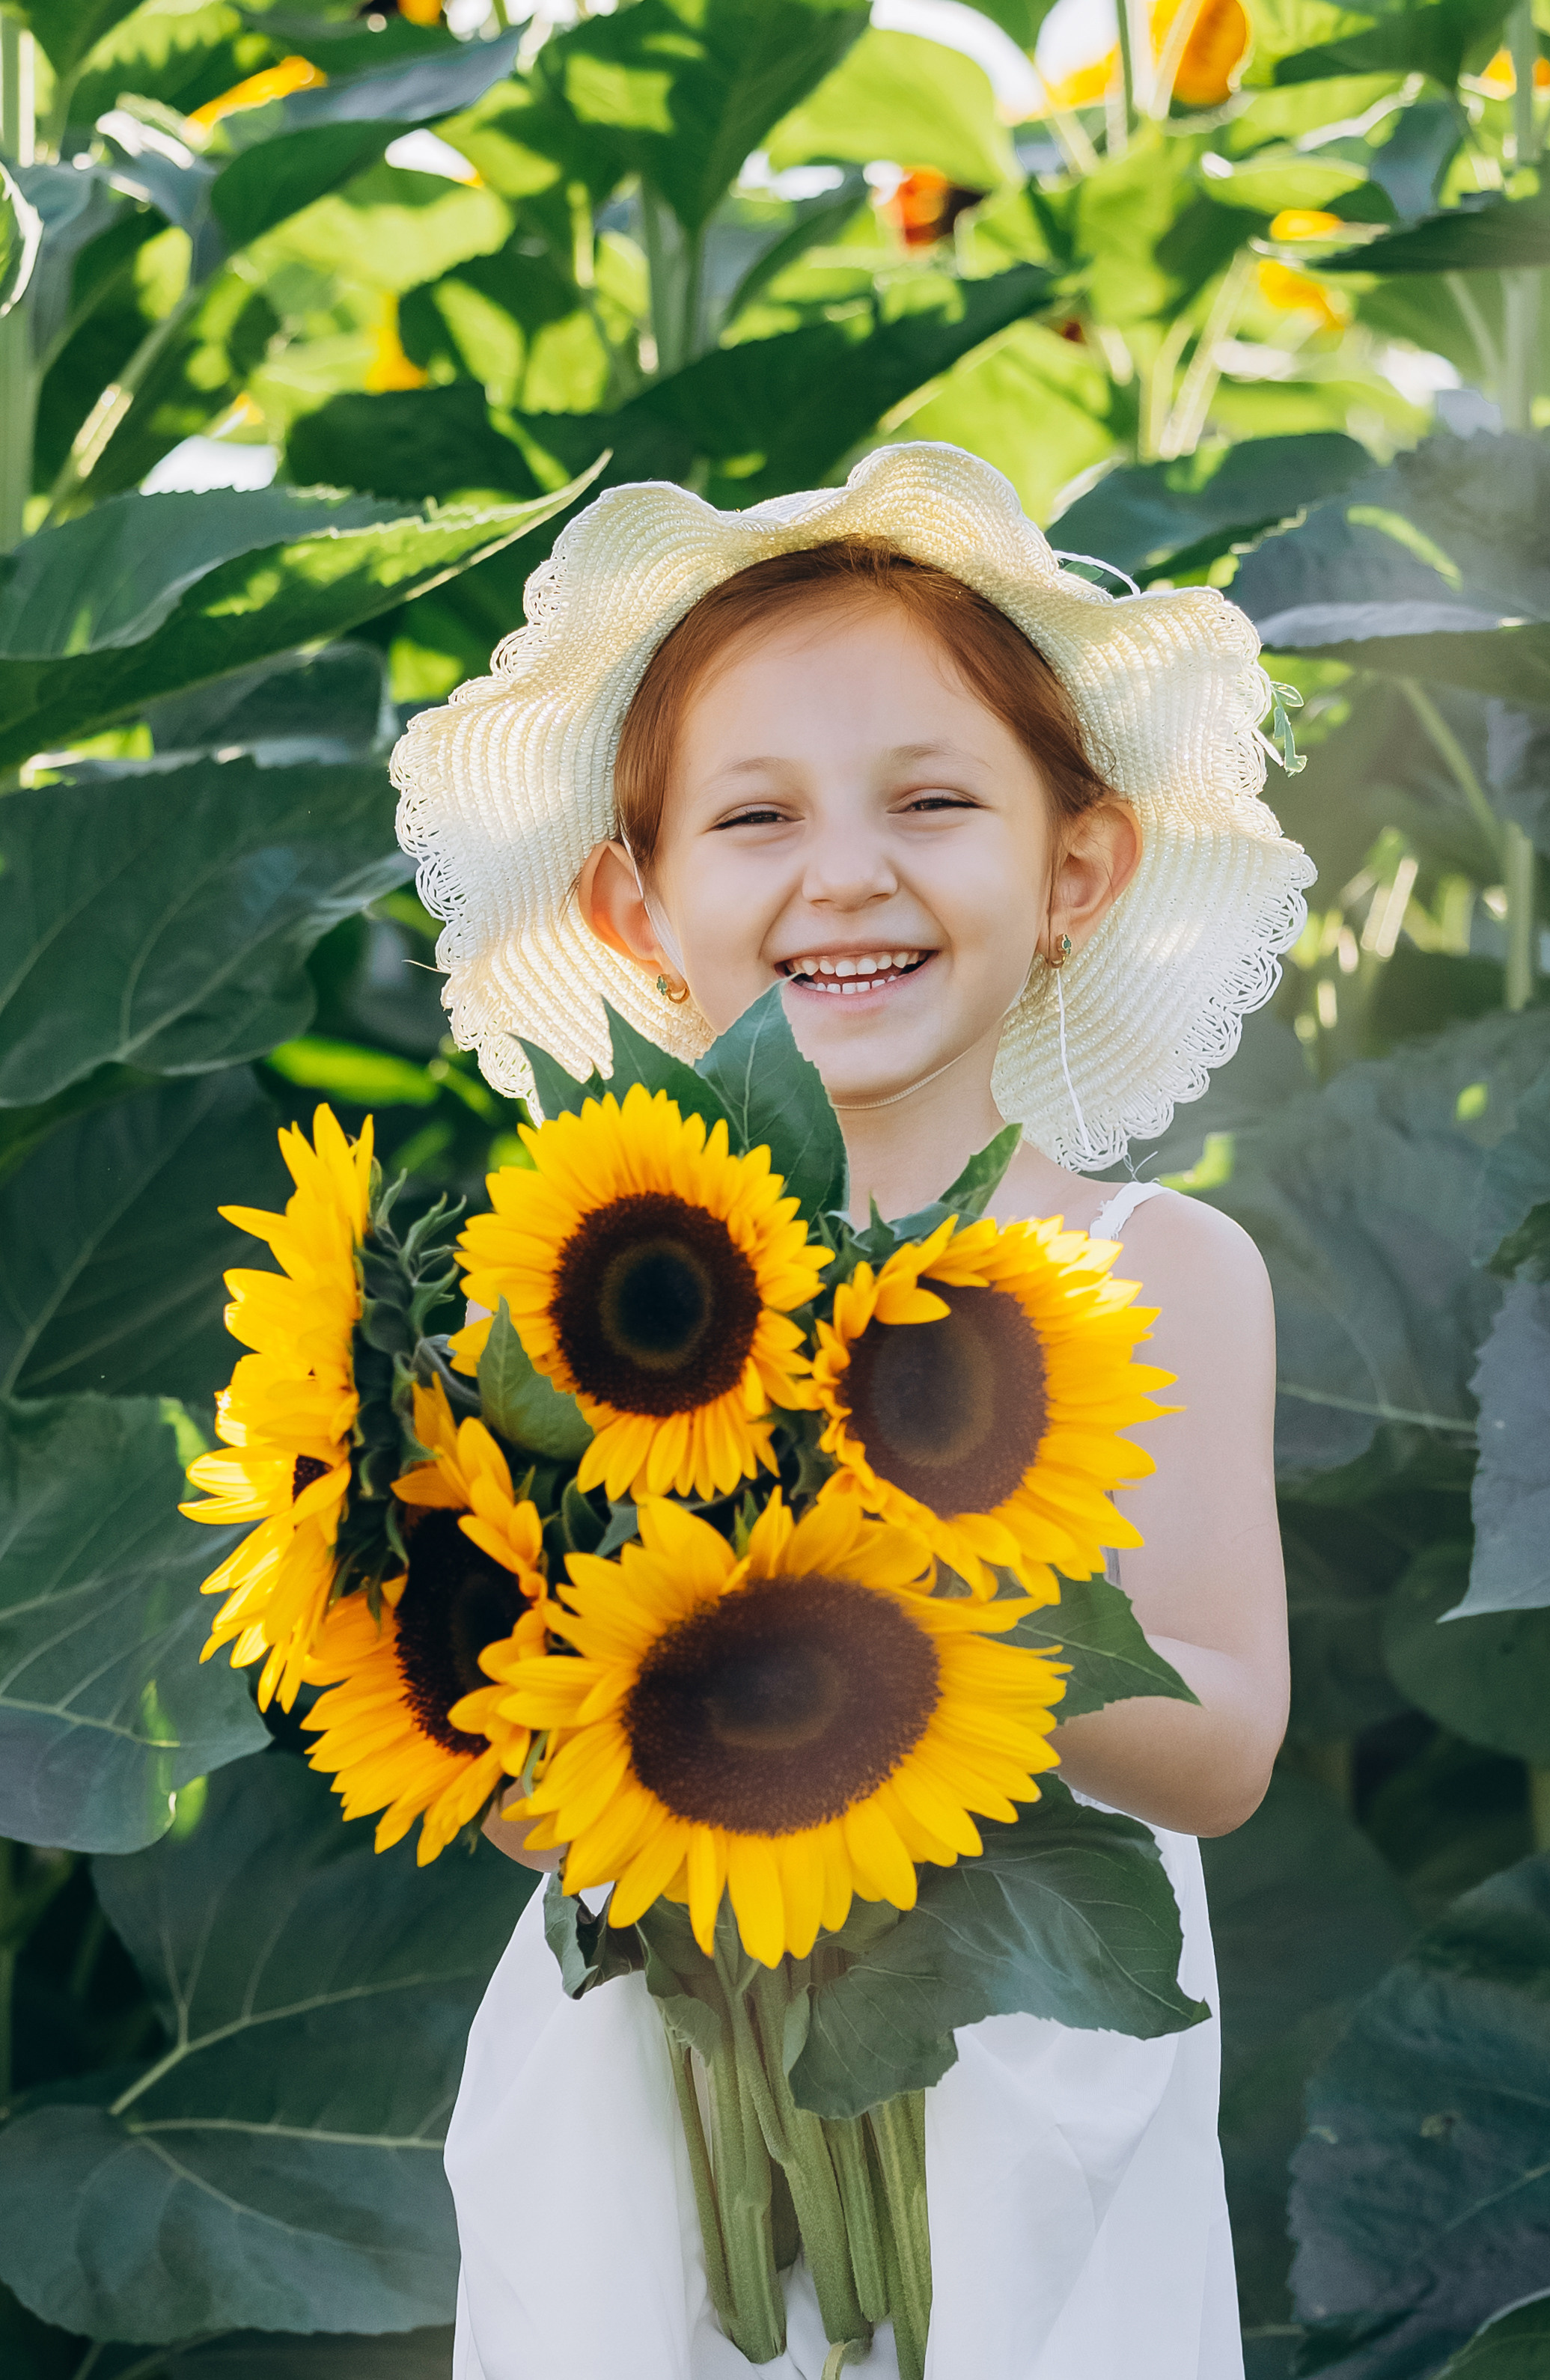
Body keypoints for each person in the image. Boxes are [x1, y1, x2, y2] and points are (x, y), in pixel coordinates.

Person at [391, 441, 1308, 2379]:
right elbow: (524, 1781)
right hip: (658, 2079)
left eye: (929, 800)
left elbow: (1221, 1747)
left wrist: (923, 1614)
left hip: (1022, 2085)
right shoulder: (589, 1309)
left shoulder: (1153, 1271)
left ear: (1071, 867)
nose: (843, 873)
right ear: (634, 906)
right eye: (753, 818)